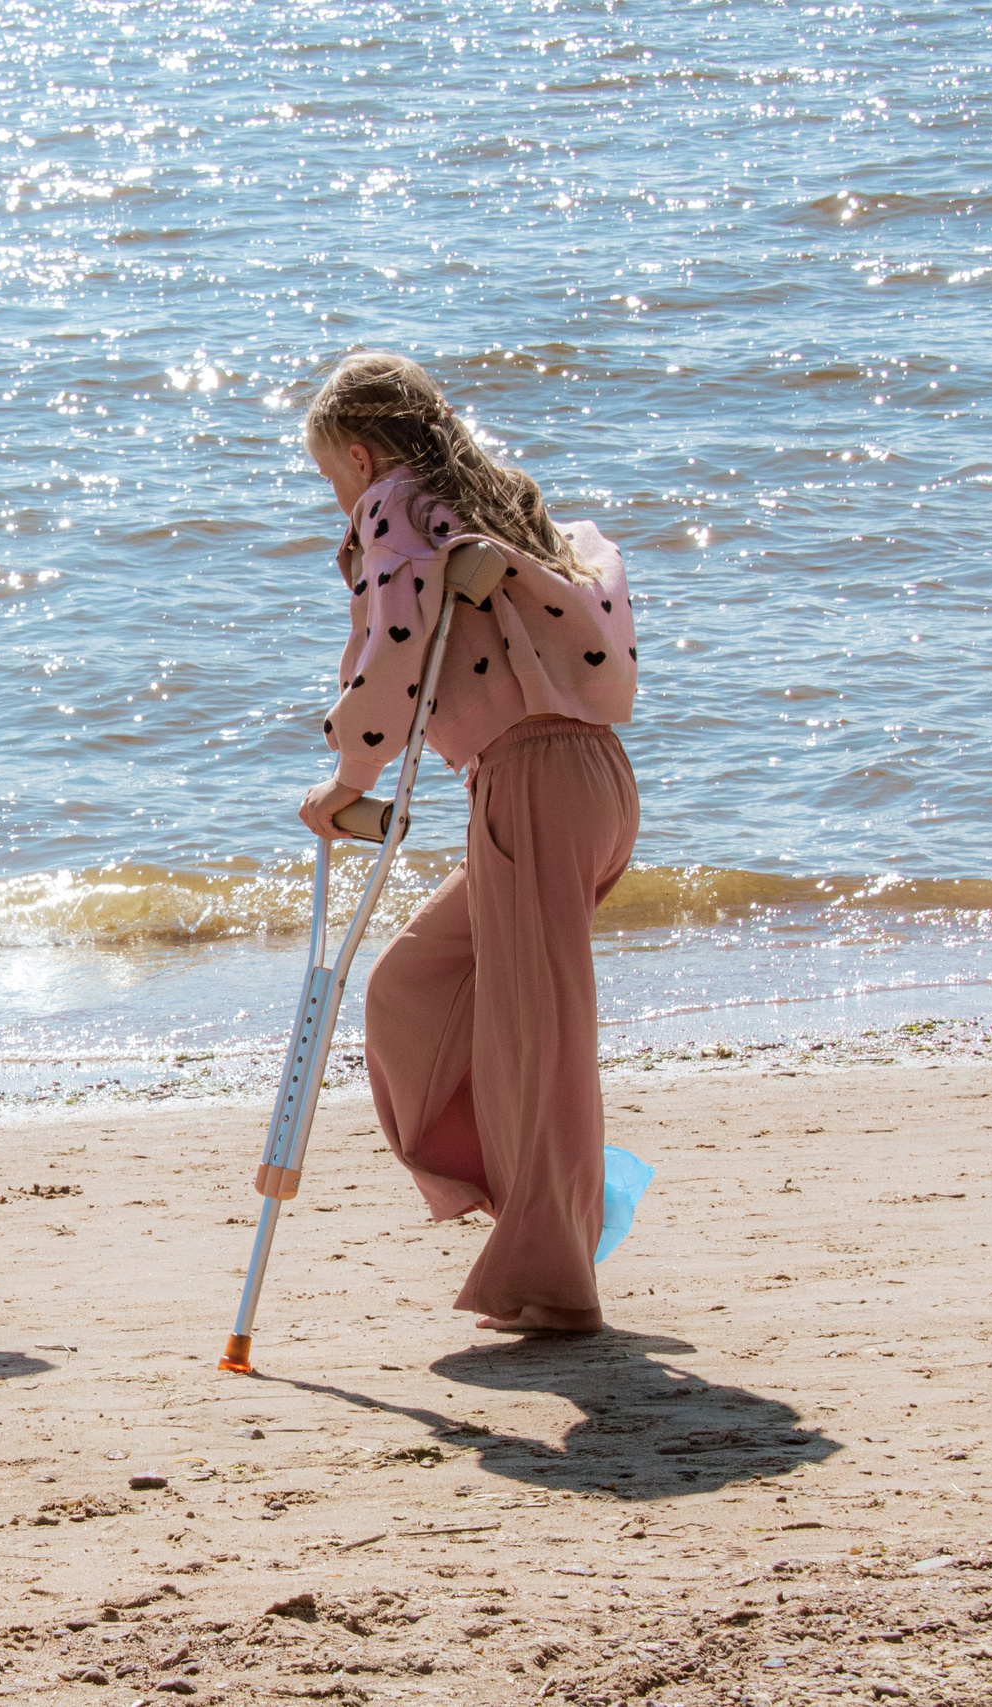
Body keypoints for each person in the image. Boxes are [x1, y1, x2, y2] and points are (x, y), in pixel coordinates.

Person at [295, 351, 640, 1334]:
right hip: (585, 781)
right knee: (414, 989)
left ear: (359, 457)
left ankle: (552, 1278)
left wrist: (347, 779)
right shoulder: (492, 504)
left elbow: (393, 652)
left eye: (329, 477)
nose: (336, 499)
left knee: (539, 1040)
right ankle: (557, 1212)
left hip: (532, 781)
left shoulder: (397, 504)